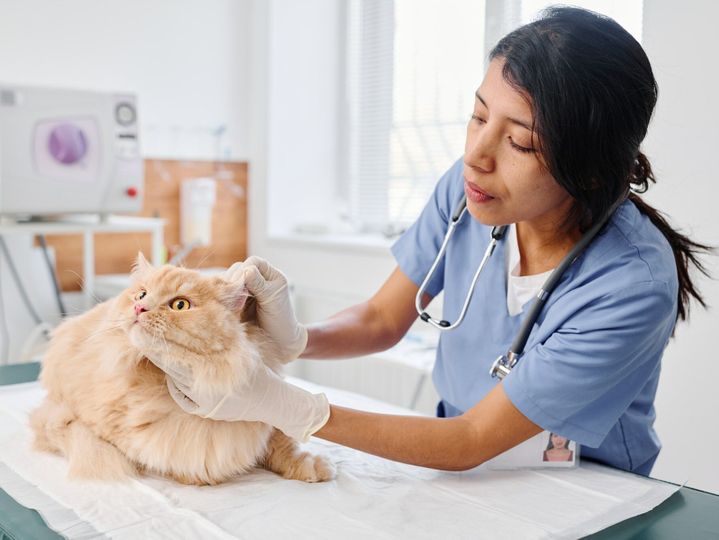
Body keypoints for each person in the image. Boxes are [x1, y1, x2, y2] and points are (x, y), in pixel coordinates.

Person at [150, 6, 710, 476]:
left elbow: (471, 440)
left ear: (588, 170)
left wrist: (292, 407)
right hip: (459, 463)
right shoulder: (469, 191)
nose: (477, 154)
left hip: (582, 485)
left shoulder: (631, 284)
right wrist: (294, 339)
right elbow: (380, 320)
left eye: (519, 143)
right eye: (477, 115)